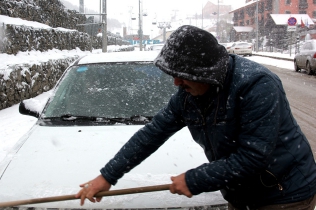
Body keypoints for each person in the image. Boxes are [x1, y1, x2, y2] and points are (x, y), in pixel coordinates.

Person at [75, 25, 316, 210]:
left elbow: (252, 158)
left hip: (285, 194)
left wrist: (194, 179)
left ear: (207, 73)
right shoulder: (188, 96)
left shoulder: (256, 85)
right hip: (241, 194)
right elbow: (151, 134)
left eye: (182, 75)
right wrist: (107, 176)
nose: (176, 82)